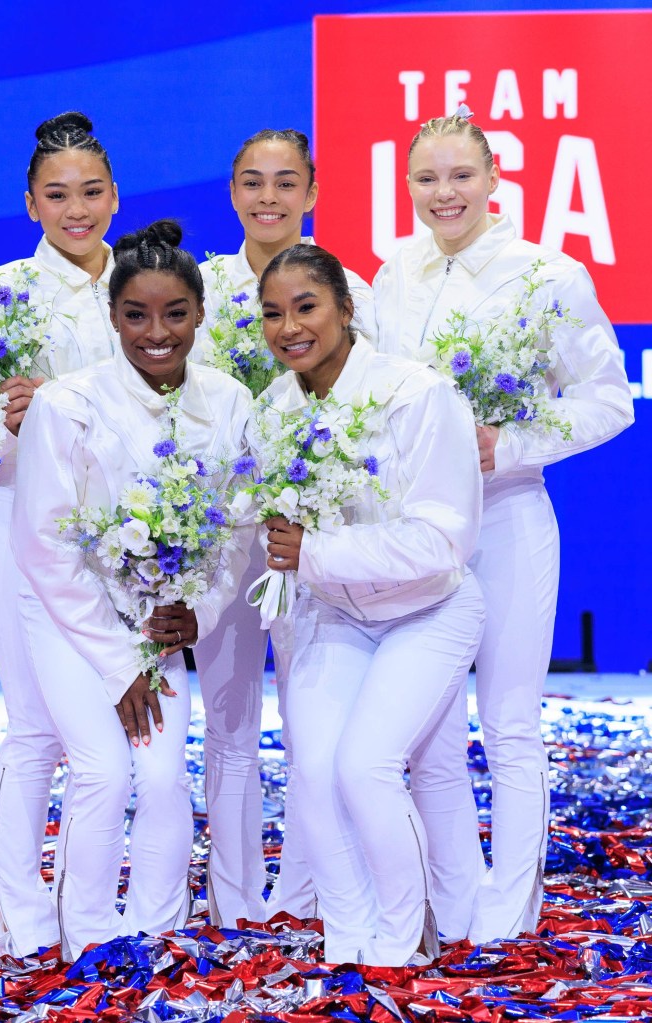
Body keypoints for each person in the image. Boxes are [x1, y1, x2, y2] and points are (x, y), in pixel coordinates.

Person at [373, 110, 634, 943]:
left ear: (493, 180)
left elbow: (609, 399)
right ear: (407, 186)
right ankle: (454, 904)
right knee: (431, 731)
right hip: (416, 531)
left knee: (510, 721)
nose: (444, 193)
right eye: (426, 178)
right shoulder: (392, 274)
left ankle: (509, 913)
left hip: (511, 517)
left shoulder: (546, 275)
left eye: (460, 176)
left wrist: (508, 444)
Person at [9, 220, 253, 960]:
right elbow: (45, 546)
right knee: (106, 769)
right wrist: (120, 667)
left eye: (175, 313)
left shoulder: (231, 400)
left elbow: (239, 531)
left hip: (158, 623)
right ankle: (87, 938)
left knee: (162, 776)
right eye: (136, 315)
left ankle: (155, 934)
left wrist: (197, 613)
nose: (157, 332)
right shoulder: (66, 403)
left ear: (200, 314)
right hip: (64, 612)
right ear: (111, 316)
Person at [250, 242, 485, 966]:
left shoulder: (418, 394)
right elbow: (267, 532)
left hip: (431, 610)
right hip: (335, 613)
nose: (290, 325)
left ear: (348, 309)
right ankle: (350, 939)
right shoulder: (271, 413)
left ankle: (405, 930)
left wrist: (314, 551)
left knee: (365, 766)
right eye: (272, 313)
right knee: (314, 771)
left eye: (307, 306)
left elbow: (443, 541)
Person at [0, 112, 120, 959]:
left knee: (113, 736)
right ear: (31, 203)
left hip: (126, 540)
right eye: (57, 196)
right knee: (37, 727)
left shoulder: (143, 283)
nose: (76, 210)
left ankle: (98, 909)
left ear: (114, 195)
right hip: (18, 528)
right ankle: (22, 914)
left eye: (91, 192)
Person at [192, 129, 377, 926]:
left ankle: (312, 895)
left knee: (316, 727)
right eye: (252, 181)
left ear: (313, 191)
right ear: (232, 191)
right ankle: (234, 901)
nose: (268, 197)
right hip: (221, 541)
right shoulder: (197, 288)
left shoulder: (349, 288)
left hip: (314, 540)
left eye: (285, 181)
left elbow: (371, 413)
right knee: (229, 722)